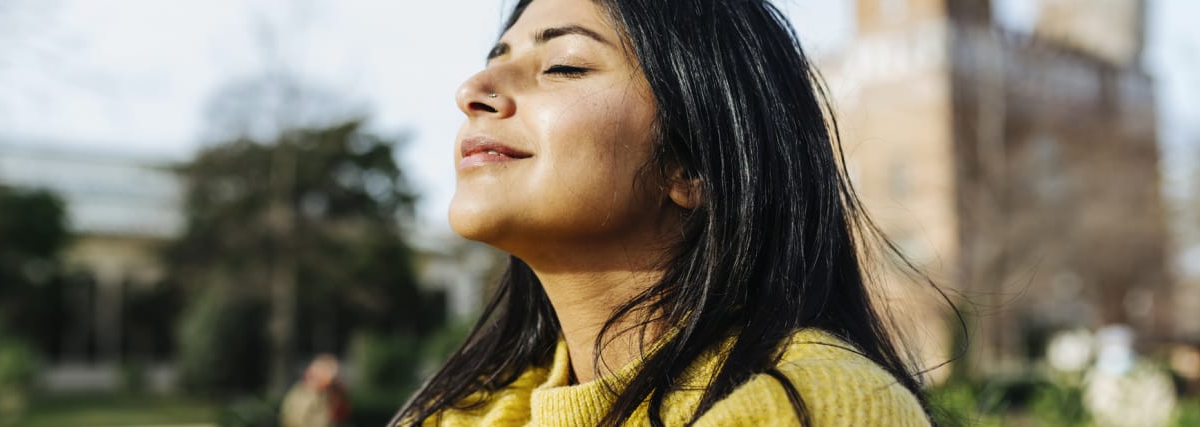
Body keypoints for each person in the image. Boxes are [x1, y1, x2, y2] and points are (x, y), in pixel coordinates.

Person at [392, 0, 937, 425]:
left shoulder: (817, 406)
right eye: (496, 59)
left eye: (562, 66)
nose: (472, 91)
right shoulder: (456, 416)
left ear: (692, 163)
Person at [281, 354, 351, 427]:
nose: (333, 379)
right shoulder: (303, 395)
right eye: (329, 372)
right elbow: (294, 421)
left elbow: (340, 416)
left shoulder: (326, 393)